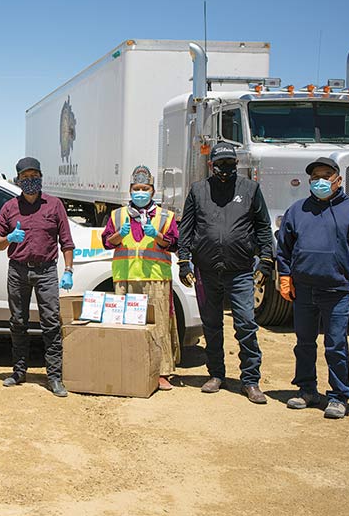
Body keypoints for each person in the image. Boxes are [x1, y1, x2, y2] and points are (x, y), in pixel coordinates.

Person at [177, 142, 273, 404]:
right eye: (220, 165)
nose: (225, 170)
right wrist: (184, 261)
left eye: (230, 164)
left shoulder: (250, 189)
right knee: (211, 325)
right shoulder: (198, 190)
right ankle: (216, 374)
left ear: (236, 164)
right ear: (211, 165)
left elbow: (263, 226)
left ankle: (250, 380)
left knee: (245, 324)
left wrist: (266, 260)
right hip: (206, 270)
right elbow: (186, 228)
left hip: (240, 271)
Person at [276, 157, 349, 419]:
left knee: (336, 344)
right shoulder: (297, 210)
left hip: (336, 290)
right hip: (303, 290)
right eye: (315, 177)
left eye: (326, 175)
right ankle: (307, 390)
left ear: (338, 179)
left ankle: (338, 396)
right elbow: (284, 247)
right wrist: (285, 276)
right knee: (304, 343)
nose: (320, 181)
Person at [0, 157, 74, 397]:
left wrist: (68, 270)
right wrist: (8, 239)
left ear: (41, 177)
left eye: (34, 176)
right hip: (17, 270)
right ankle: (19, 372)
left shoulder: (54, 204)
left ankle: (54, 377)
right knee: (18, 322)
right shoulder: (9, 207)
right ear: (18, 180)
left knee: (50, 322)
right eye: (25, 178)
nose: (30, 181)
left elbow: (66, 241)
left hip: (46, 270)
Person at [102, 165, 180, 391]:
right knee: (126, 325)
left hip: (155, 278)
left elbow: (173, 244)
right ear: (130, 190)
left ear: (153, 191)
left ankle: (161, 372)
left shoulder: (165, 216)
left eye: (145, 188)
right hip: (125, 278)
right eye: (136, 188)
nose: (140, 192)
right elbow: (107, 242)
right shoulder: (118, 215)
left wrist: (158, 236)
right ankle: (128, 367)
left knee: (158, 326)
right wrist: (120, 234)